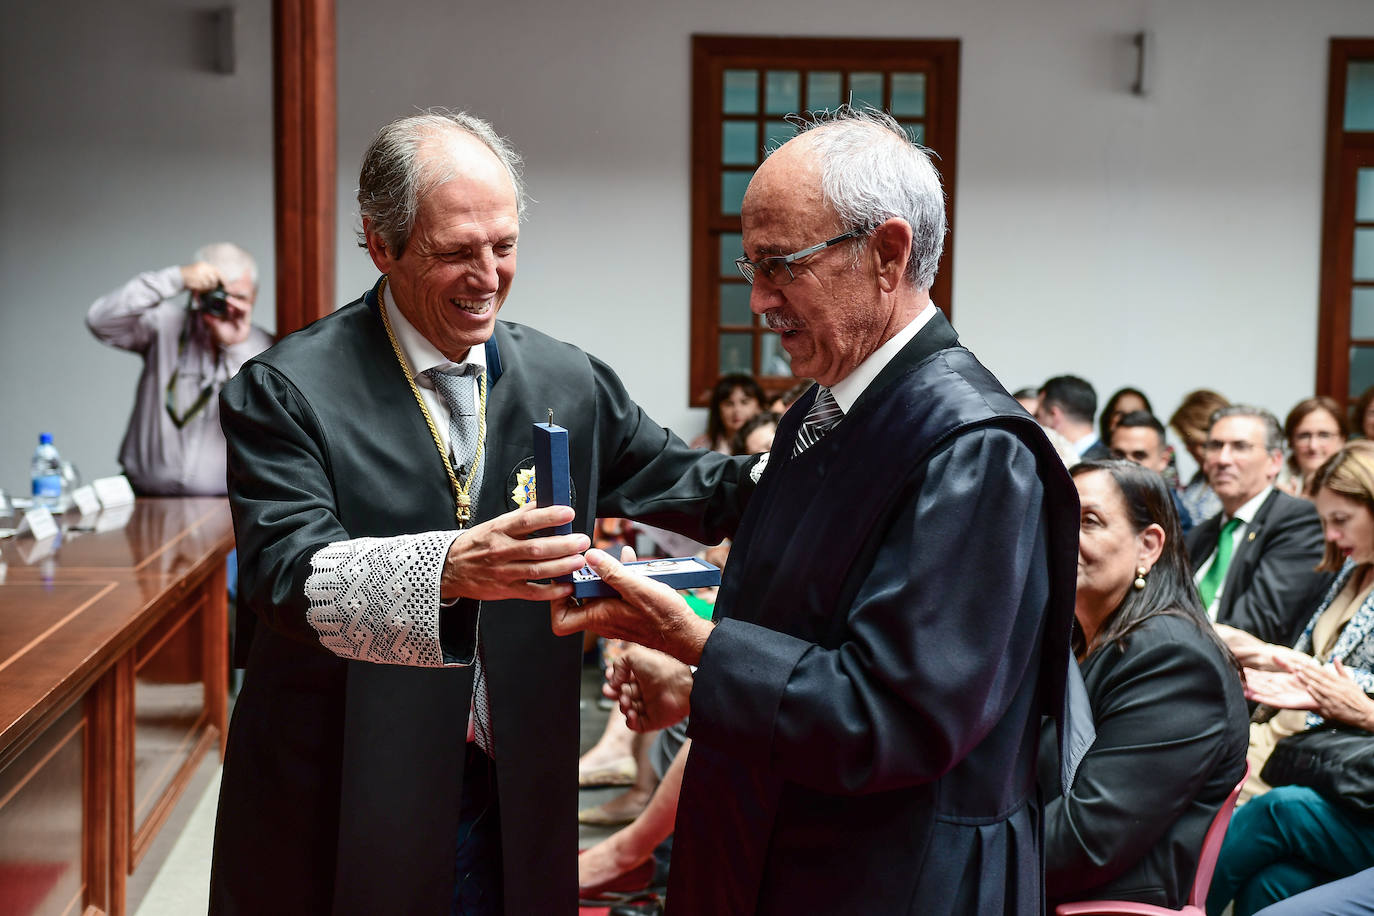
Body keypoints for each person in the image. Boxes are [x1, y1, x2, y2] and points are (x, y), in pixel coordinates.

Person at [209, 110, 758, 915]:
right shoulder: (290, 390)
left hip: (516, 783)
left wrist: (843, 452)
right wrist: (447, 569)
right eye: (455, 253)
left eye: (503, 247)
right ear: (381, 243)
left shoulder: (566, 380)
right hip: (347, 784)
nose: (488, 276)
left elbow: (703, 488)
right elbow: (282, 573)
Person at [552, 107, 1079, 914]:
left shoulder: (976, 451)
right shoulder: (830, 405)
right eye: (749, 265)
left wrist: (694, 647)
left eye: (781, 264)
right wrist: (701, 679)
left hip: (889, 876)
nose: (759, 298)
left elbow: (890, 716)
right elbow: (793, 611)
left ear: (888, 255)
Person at [1040, 459, 1248, 908]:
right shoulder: (1077, 639)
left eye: (1088, 521)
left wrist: (966, 849)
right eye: (1055, 515)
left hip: (1096, 902)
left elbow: (1088, 840)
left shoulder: (1172, 658)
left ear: (1148, 546)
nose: (1061, 534)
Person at [1212, 441, 1374, 800]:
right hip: (1280, 731)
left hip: (1324, 754)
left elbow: (1342, 675)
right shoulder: (1352, 567)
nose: (1330, 535)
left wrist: (1302, 670)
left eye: (1341, 520)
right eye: (1325, 521)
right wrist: (1270, 658)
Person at [86, 243, 272, 495]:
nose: (228, 306)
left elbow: (260, 419)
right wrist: (175, 279)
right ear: (197, 294)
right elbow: (100, 320)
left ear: (255, 295)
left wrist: (235, 345)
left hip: (224, 508)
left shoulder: (266, 346)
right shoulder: (166, 325)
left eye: (239, 297)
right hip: (145, 498)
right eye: (218, 296)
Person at [1186, 405, 1331, 646]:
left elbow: (1258, 626)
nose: (1223, 459)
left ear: (1274, 462)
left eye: (1240, 447)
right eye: (1215, 446)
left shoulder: (1300, 521)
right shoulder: (1200, 535)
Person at [1110, 410, 1193, 532]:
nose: (1126, 464)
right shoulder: (1097, 496)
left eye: (1139, 456)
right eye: (1119, 454)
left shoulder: (1172, 515)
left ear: (1163, 461)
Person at [1170, 388, 1230, 525]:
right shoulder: (1199, 478)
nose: (1188, 449)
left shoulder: (1233, 481)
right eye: (1185, 442)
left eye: (1191, 442)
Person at [1280, 395, 1348, 498]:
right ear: (1291, 441)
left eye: (1324, 435)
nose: (1313, 446)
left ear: (1342, 439)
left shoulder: (1355, 486)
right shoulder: (1276, 483)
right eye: (1304, 436)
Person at [1037, 374, 1112, 459]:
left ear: (1054, 415)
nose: (1037, 423)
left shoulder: (1095, 466)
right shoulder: (1110, 458)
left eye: (1038, 415)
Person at [691, 373, 765, 454]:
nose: (737, 410)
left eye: (745, 402)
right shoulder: (701, 446)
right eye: (729, 404)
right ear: (718, 409)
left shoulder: (767, 443)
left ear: (759, 407)